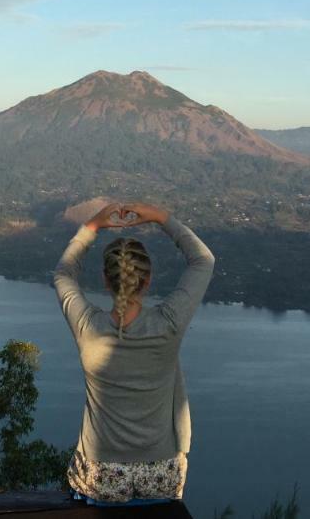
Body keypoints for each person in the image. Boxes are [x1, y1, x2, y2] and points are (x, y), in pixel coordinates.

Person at [52, 200, 215, 506]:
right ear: (148, 280)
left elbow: (63, 275)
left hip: (101, 477)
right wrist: (161, 217)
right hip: (162, 475)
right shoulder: (168, 323)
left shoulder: (89, 327)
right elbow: (203, 261)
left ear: (106, 280)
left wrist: (92, 226)